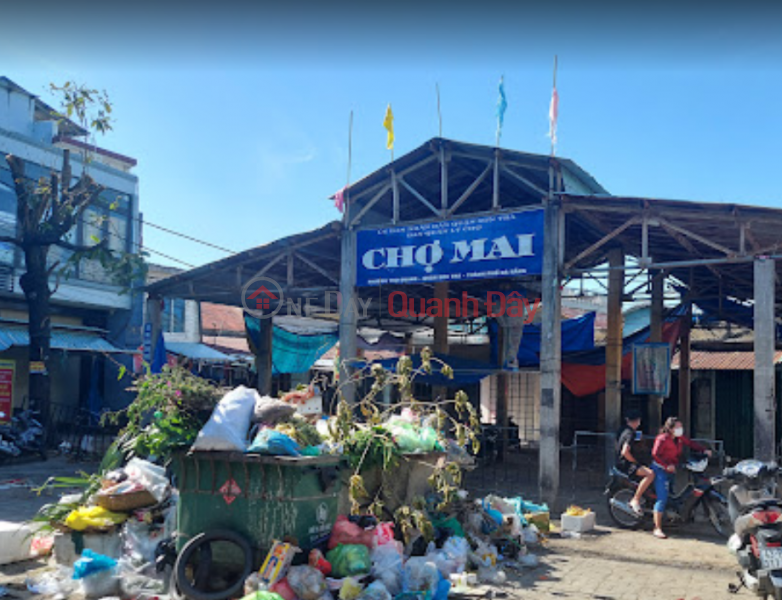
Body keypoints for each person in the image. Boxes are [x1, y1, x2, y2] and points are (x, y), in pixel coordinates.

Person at [651, 416, 712, 539]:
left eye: (681, 427)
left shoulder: (678, 439)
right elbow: (655, 454)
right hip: (660, 469)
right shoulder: (662, 438)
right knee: (662, 498)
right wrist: (665, 465)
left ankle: (669, 518)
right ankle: (657, 528)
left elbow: (690, 443)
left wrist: (704, 450)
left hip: (672, 469)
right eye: (678, 427)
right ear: (671, 428)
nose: (680, 429)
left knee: (671, 495)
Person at [616, 410, 655, 515]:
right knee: (650, 474)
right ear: (637, 421)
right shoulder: (630, 433)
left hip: (620, 462)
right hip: (627, 464)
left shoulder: (622, 430)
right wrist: (635, 461)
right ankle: (636, 499)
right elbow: (625, 451)